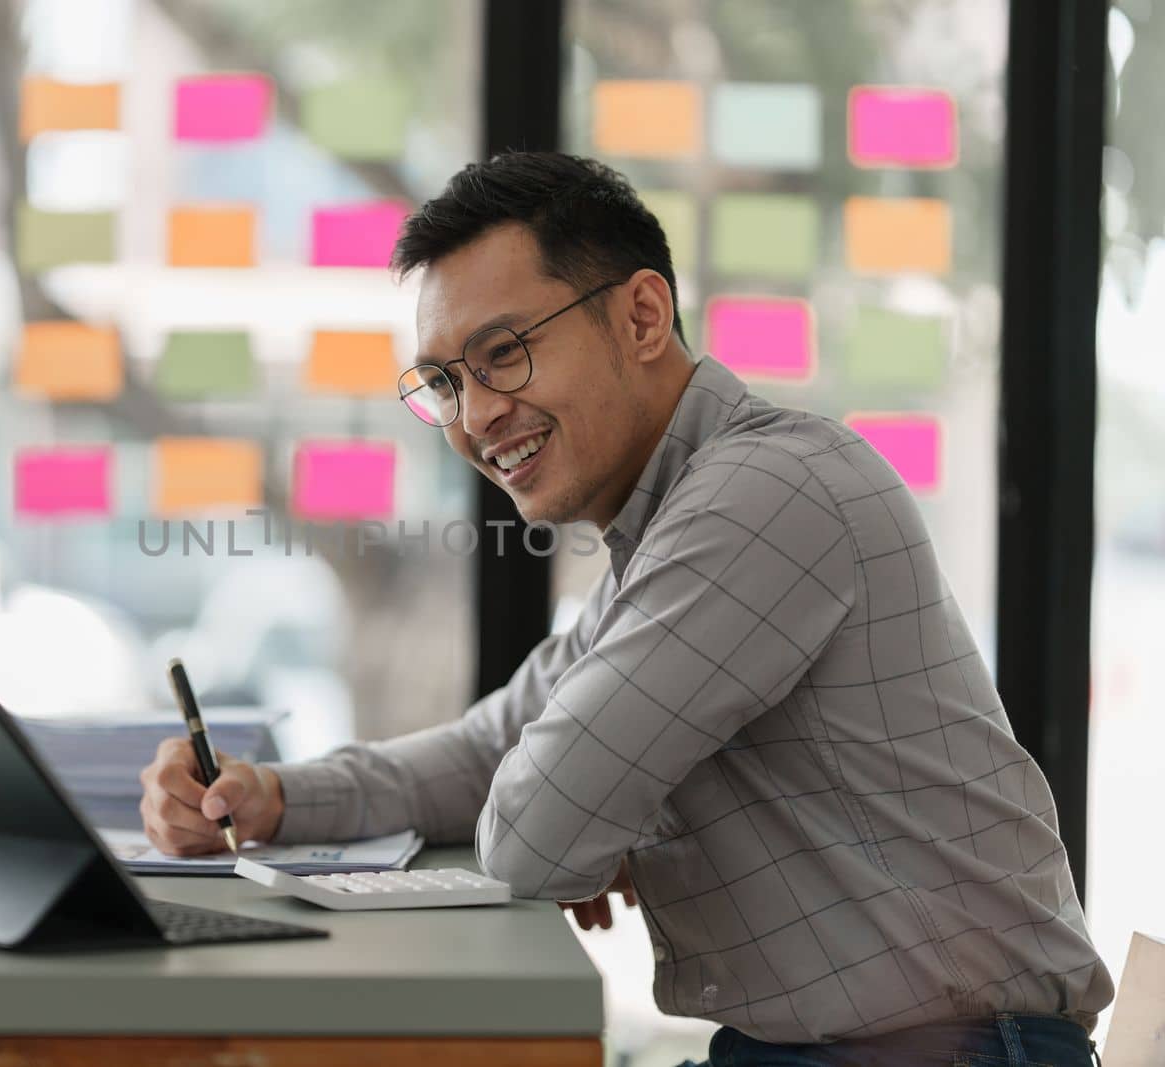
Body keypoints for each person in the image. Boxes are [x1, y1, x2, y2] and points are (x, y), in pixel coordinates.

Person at [138, 152, 1113, 1065]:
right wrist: (266, 796)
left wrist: (611, 811)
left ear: (643, 315)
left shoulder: (766, 495)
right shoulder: (663, 536)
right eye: (443, 382)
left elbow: (536, 834)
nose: (475, 417)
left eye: (504, 352)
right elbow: (490, 755)